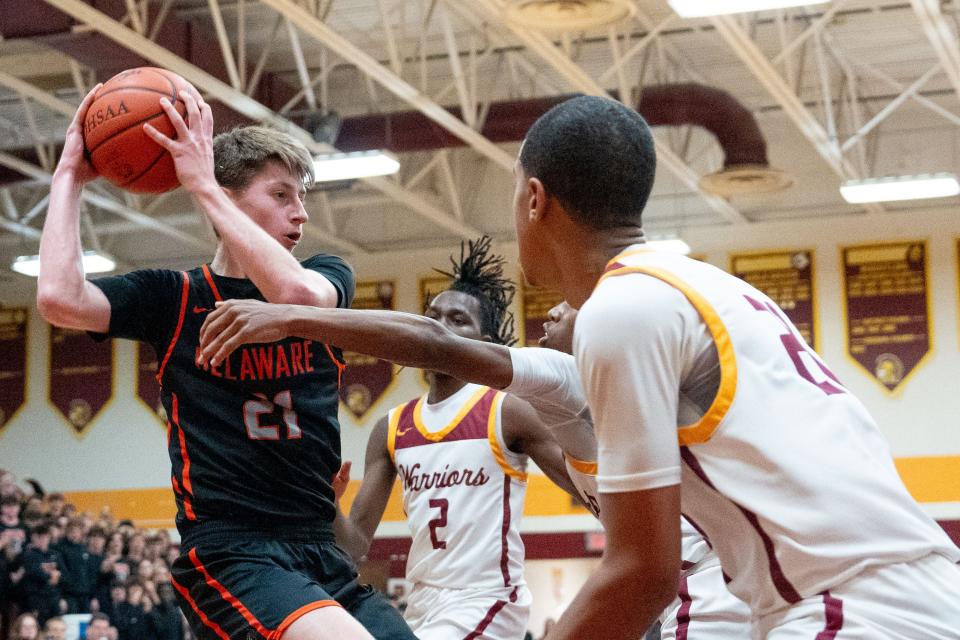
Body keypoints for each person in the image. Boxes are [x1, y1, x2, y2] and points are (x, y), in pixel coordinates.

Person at [505, 95, 960, 638]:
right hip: (914, 593)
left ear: (534, 199)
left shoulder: (620, 308)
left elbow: (643, 571)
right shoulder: (710, 287)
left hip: (848, 608)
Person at [37, 83, 413, 640]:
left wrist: (203, 185)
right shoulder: (175, 298)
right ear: (229, 197)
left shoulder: (327, 276)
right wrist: (68, 175)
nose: (301, 213)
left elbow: (296, 297)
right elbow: (59, 299)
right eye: (282, 195)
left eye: (302, 198)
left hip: (320, 551)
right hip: (231, 551)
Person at [196, 293, 752, 638]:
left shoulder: (510, 406)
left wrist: (294, 318)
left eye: (454, 320)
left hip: (489, 602)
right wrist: (321, 501)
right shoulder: (392, 428)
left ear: (479, 340)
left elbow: (607, 513)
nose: (437, 324)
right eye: (432, 315)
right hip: (424, 601)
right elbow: (354, 547)